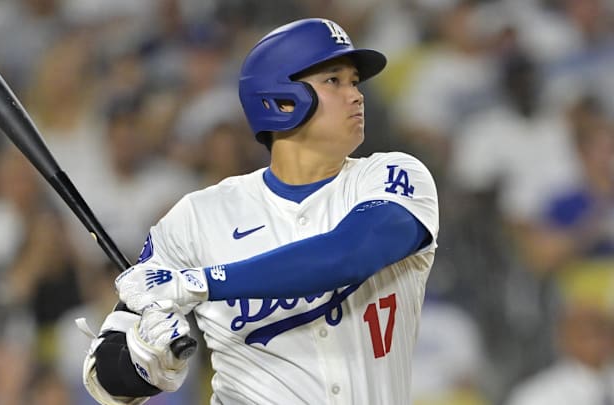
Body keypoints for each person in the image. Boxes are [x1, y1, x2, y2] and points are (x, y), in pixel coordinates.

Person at [79, 18, 439, 405]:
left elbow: (346, 254)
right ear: (282, 101)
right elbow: (105, 374)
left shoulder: (393, 176)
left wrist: (201, 283)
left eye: (354, 82)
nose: (356, 95)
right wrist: (146, 363)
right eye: (334, 81)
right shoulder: (197, 218)